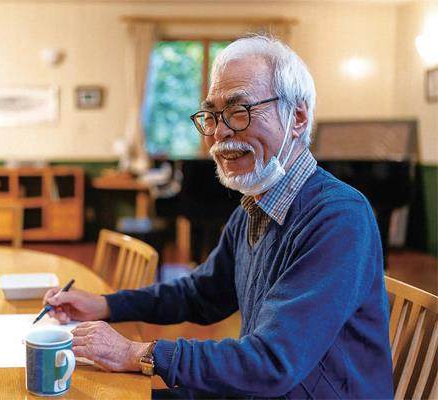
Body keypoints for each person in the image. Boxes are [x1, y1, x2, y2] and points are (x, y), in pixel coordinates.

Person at [44, 34, 393, 399]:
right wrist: (105, 305)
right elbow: (202, 294)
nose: (220, 132)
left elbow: (273, 361)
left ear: (298, 118)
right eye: (211, 115)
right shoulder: (253, 206)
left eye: (239, 111)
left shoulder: (338, 217)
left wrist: (134, 353)